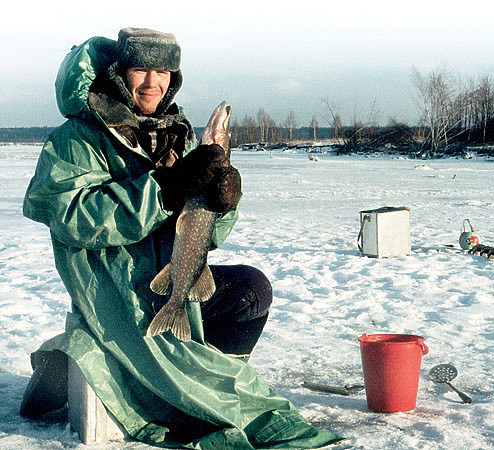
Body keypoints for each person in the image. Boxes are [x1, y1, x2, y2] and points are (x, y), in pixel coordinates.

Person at [20, 28, 341, 449]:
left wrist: (223, 205)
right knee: (174, 353)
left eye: (164, 70)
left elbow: (204, 235)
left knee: (251, 290)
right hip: (114, 288)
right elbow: (74, 218)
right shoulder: (77, 138)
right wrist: (165, 188)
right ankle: (192, 398)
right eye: (141, 69)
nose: (153, 83)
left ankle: (202, 389)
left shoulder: (178, 134)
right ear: (119, 73)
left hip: (171, 272)